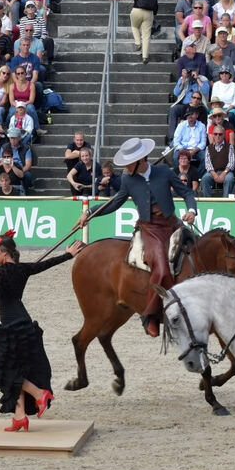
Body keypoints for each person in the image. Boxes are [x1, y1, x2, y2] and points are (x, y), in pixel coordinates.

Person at [79, 137, 197, 337]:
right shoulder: (127, 180)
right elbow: (114, 203)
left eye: (128, 163)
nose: (125, 168)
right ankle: (151, 315)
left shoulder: (164, 172)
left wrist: (192, 210)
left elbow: (186, 192)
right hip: (150, 229)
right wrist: (90, 213)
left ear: (141, 160)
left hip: (172, 223)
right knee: (160, 266)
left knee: (198, 253)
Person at [0, 231, 84, 432]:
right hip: (24, 325)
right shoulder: (23, 269)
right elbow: (45, 265)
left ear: (4, 253)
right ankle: (19, 417)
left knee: (6, 370)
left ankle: (39, 394)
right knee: (17, 369)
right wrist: (68, 255)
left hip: (11, 328)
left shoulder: (0, 272)